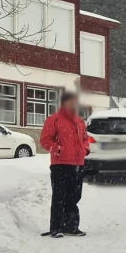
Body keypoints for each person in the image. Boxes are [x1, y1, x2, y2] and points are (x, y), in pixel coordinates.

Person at [39, 92, 89, 238]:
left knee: (74, 197)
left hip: (78, 164)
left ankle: (72, 227)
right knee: (59, 197)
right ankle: (56, 227)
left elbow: (85, 139)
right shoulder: (54, 120)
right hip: (60, 164)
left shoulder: (80, 121)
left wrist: (85, 149)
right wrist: (59, 149)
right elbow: (45, 140)